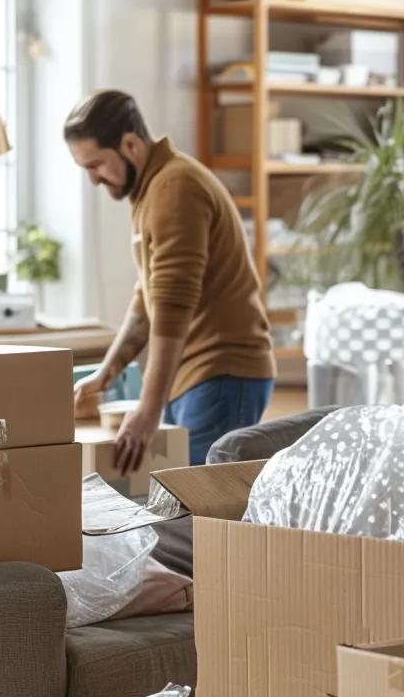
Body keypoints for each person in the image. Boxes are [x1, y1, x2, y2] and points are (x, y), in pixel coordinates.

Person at [64, 90, 276, 469]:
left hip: (222, 373)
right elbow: (147, 298)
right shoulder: (152, 189)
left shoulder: (175, 187)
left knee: (195, 514)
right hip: (197, 378)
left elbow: (172, 304)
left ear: (129, 145)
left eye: (95, 165)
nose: (94, 180)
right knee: (178, 505)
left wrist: (148, 407)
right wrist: (105, 374)